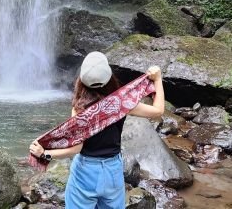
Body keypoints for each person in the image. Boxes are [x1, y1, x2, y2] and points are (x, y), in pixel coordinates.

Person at [29, 51, 165, 209]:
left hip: (86, 172)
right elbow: (158, 111)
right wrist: (158, 79)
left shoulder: (80, 109)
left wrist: (45, 154)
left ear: (82, 80)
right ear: (109, 77)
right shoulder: (123, 103)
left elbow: (76, 148)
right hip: (113, 171)